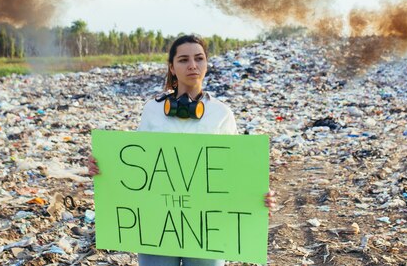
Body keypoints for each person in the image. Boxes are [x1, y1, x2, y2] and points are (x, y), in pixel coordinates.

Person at [88, 34, 276, 266]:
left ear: (206, 63)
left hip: (208, 227)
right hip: (157, 223)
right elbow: (138, 166)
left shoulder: (221, 113)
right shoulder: (152, 111)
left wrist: (259, 196)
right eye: (184, 60)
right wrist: (105, 167)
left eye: (199, 58)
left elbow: (235, 169)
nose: (192, 65)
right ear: (172, 67)